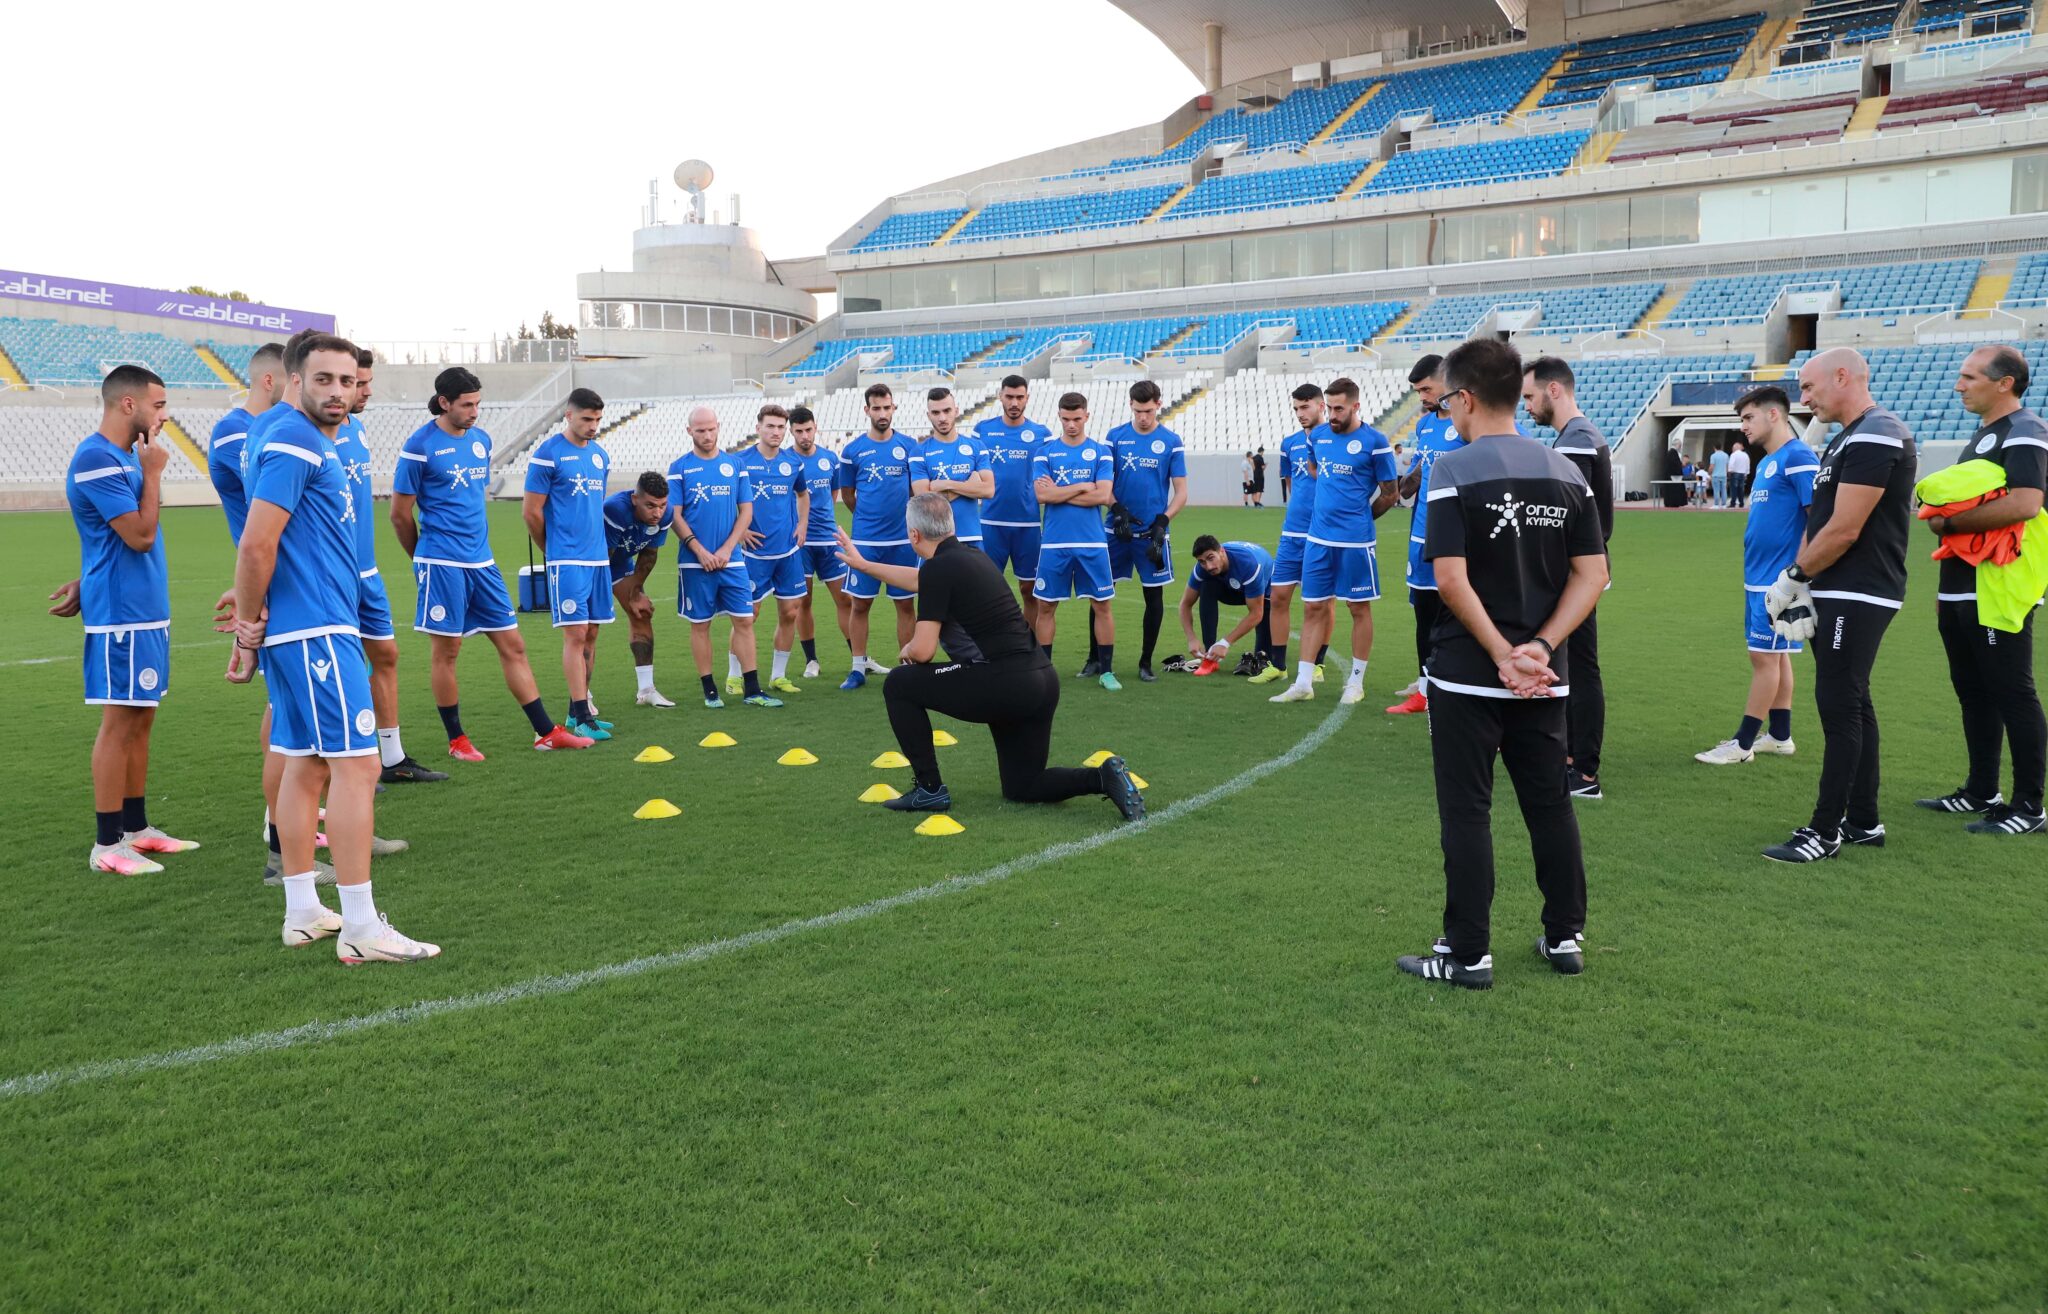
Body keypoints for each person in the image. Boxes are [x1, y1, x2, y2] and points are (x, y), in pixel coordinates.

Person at [1396, 339, 1607, 991]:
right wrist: (1540, 649)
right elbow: (1593, 575)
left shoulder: (1454, 468)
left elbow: (1451, 580)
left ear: (1462, 398)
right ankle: (1564, 936)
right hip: (1546, 679)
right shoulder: (1564, 469)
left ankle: (1468, 954)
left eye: (1447, 401)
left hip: (1467, 672)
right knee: (1550, 807)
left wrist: (1501, 654)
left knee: (1467, 811)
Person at [228, 334, 438, 963]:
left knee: (304, 764)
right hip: (317, 628)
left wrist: (257, 618)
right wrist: (245, 628)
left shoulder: (286, 435)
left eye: (348, 382)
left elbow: (274, 542)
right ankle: (362, 927)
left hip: (305, 626)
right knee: (358, 766)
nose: (340, 393)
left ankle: (302, 912)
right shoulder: (294, 439)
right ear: (293, 379)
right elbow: (257, 543)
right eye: (324, 380)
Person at [834, 495, 1145, 820]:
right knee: (1023, 785)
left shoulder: (940, 568)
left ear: (914, 535)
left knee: (899, 683)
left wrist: (909, 649)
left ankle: (929, 789)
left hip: (1004, 682)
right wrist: (865, 565)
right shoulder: (971, 557)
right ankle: (1103, 777)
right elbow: (919, 580)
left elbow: (923, 651)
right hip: (1040, 680)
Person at [1760, 347, 1918, 863]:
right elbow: (1822, 521)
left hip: (1859, 588)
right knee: (1854, 703)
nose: (1803, 399)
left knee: (1839, 706)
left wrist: (1793, 577)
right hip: (1839, 587)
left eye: (1808, 387)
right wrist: (1805, 581)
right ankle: (1863, 822)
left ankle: (1825, 831)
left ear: (1843, 377)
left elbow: (1845, 528)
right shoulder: (1847, 437)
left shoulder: (1875, 431)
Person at [392, 367, 592, 758]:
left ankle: (545, 732)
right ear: (444, 402)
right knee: (447, 653)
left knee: (514, 645)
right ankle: (457, 740)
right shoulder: (419, 446)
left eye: (478, 403)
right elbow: (400, 515)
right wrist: (423, 560)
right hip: (442, 564)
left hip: (482, 563)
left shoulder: (481, 441)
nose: (474, 411)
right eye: (466, 404)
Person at [66, 365, 196, 875]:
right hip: (121, 614)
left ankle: (136, 829)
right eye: (158, 405)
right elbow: (138, 535)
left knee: (141, 718)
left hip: (144, 610)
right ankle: (106, 845)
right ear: (128, 405)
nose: (164, 415)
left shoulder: (124, 457)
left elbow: (112, 536)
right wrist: (155, 472)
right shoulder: (97, 458)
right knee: (119, 724)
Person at [1915, 344, 2046, 834]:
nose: (1959, 385)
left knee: (2013, 692)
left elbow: (2027, 503)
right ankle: (1980, 790)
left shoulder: (2025, 430)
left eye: (1970, 377)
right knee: (1973, 691)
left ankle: (2030, 807)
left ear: (2004, 382)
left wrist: (1949, 523)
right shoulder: (1984, 434)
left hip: (1999, 585)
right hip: (1960, 586)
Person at [338, 348, 446, 787]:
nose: (364, 391)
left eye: (364, 382)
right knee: (342, 668)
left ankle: (392, 757)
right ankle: (344, 763)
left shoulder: (357, 429)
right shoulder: (309, 435)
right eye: (355, 383)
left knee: (386, 655)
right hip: (331, 575)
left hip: (366, 570)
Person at [1696, 387, 1815, 765]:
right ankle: (1780, 736)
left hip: (1779, 582)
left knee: (1763, 658)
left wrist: (1798, 576)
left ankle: (1743, 744)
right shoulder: (1766, 462)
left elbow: (1818, 519)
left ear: (1774, 415)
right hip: (1758, 578)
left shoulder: (1798, 457)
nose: (1743, 426)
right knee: (1777, 658)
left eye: (1749, 418)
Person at [1269, 376, 1396, 707]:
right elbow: (1314, 468)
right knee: (1312, 607)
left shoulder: (1376, 442)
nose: (1334, 414)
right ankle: (1302, 682)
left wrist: (1362, 517)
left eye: (1340, 408)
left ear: (1355, 406)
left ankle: (1356, 682)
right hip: (1317, 539)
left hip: (1355, 542)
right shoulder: (1319, 436)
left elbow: (1390, 493)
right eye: (1331, 407)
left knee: (1357, 608)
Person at [1524, 356, 1612, 799]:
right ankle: (1573, 760)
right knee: (1576, 665)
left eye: (1529, 396)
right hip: (1581, 571)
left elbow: (1564, 522)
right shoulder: (1578, 436)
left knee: (1578, 667)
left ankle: (1584, 771)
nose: (1526, 407)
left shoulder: (1575, 443)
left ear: (1553, 390)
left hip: (1576, 575)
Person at [667, 405, 782, 709]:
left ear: (719, 427)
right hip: (695, 562)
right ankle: (710, 690)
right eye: (700, 430)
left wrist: (727, 548)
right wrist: (700, 550)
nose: (707, 435)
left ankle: (753, 689)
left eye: (711, 429)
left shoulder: (734, 466)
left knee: (745, 620)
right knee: (700, 625)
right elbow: (675, 515)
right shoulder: (679, 468)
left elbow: (746, 511)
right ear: (689, 431)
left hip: (732, 559)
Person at [521, 387, 616, 740]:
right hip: (567, 560)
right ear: (569, 415)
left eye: (597, 420)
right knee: (575, 635)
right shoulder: (548, 455)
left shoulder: (600, 456)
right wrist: (553, 550)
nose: (593, 426)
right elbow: (531, 511)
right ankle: (579, 713)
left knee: (591, 632)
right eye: (587, 419)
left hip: (597, 558)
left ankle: (580, 710)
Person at [835, 383, 931, 690]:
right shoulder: (852, 451)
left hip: (903, 541)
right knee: (859, 605)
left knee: (905, 606)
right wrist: (866, 520)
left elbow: (916, 489)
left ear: (894, 409)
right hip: (865, 542)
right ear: (867, 411)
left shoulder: (909, 447)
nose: (882, 413)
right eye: (876, 408)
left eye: (886, 407)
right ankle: (858, 668)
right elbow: (848, 495)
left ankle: (907, 667)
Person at [1091, 379, 1187, 682]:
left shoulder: (1171, 441)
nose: (1142, 417)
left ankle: (1145, 663)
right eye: (1136, 411)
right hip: (1115, 531)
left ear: (1158, 404)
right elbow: (1103, 484)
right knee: (1102, 595)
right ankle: (1095, 659)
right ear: (1130, 406)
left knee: (1153, 597)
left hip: (1151, 534)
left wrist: (1164, 520)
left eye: (1147, 411)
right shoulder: (1115, 437)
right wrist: (1116, 508)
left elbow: (1181, 492)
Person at [1388, 354, 1465, 716]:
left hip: (1457, 538)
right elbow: (1420, 469)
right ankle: (1424, 689)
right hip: (1421, 536)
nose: (1421, 396)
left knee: (1457, 614)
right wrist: (1399, 488)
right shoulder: (1425, 425)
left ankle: (1454, 686)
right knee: (1423, 613)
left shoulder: (1470, 425)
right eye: (1418, 391)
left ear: (1447, 381)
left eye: (1426, 389)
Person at [1033, 392, 1120, 690]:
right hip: (1054, 543)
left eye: (1077, 418)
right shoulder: (1045, 453)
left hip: (1092, 543)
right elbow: (1043, 496)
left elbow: (1104, 495)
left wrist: (1063, 490)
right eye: (1066, 419)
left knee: (1102, 606)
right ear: (1059, 416)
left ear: (1087, 416)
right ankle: (1044, 671)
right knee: (1045, 607)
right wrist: (1084, 485)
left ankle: (1107, 671)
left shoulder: (1100, 452)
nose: (1071, 424)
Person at [1254, 383, 1329, 688]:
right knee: (1279, 596)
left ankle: (1318, 664)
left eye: (1306, 406)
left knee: (1323, 603)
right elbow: (1291, 485)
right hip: (1292, 532)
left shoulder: (1334, 441)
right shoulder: (1289, 443)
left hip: (1323, 535)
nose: (1301, 413)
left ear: (1322, 405)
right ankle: (1279, 665)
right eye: (1296, 408)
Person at [733, 402, 810, 695]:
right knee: (747, 615)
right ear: (758, 428)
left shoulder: (792, 463)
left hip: (788, 551)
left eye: (780, 427)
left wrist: (802, 524)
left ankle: (778, 675)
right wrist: (738, 530)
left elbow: (803, 495)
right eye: (770, 426)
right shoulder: (740, 462)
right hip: (754, 552)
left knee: (790, 612)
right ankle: (734, 674)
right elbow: (729, 500)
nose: (776, 432)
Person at [974, 375, 1050, 629]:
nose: (1014, 402)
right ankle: (995, 648)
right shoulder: (982, 430)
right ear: (1000, 396)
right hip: (990, 522)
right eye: (1009, 396)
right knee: (987, 590)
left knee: (1029, 589)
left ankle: (1028, 649)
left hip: (1027, 524)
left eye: (1019, 397)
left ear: (1027, 398)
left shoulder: (1042, 435)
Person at [789, 405, 853, 678]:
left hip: (829, 539)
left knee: (846, 600)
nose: (805, 435)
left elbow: (834, 491)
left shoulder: (830, 459)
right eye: (799, 431)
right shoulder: (786, 461)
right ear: (791, 432)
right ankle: (811, 661)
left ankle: (859, 657)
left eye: (808, 429)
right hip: (800, 543)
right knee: (803, 603)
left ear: (816, 428)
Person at [602, 471, 675, 707]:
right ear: (635, 499)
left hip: (620, 563)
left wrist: (635, 594)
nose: (657, 513)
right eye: (650, 506)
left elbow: (648, 556)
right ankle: (583, 700)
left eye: (662, 505)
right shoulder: (616, 509)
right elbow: (604, 558)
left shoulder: (666, 515)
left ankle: (646, 691)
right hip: (592, 563)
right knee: (587, 628)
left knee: (641, 613)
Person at [207, 341, 284, 544]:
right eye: (293, 381)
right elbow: (276, 486)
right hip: (269, 562)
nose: (300, 389)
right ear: (269, 381)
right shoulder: (232, 430)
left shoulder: (281, 428)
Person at [1177, 535, 1272, 669]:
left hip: (1265, 588)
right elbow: (1185, 604)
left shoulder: (1249, 565)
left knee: (1263, 656)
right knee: (1207, 586)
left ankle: (1219, 648)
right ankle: (1210, 655)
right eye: (1202, 561)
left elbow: (1256, 613)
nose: (1208, 566)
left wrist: (1225, 643)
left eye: (1211, 558)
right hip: (1230, 587)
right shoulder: (1201, 569)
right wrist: (1191, 638)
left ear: (1222, 552)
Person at [1728, 439, 1752, 508]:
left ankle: (1733, 503)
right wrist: (1746, 474)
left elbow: (1731, 465)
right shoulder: (1745, 455)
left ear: (1735, 448)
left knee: (1734, 489)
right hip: (1742, 474)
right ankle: (1741, 503)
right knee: (1741, 489)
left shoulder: (1733, 455)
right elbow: (1748, 465)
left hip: (1735, 473)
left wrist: (1729, 472)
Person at [1710, 442, 1731, 508]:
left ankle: (1716, 504)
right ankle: (1724, 504)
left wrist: (1709, 472)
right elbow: (1727, 466)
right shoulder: (1726, 455)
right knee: (1724, 490)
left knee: (1716, 490)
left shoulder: (1713, 456)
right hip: (1723, 475)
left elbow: (1712, 466)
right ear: (1721, 447)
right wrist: (1727, 474)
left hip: (1715, 475)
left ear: (1714, 447)